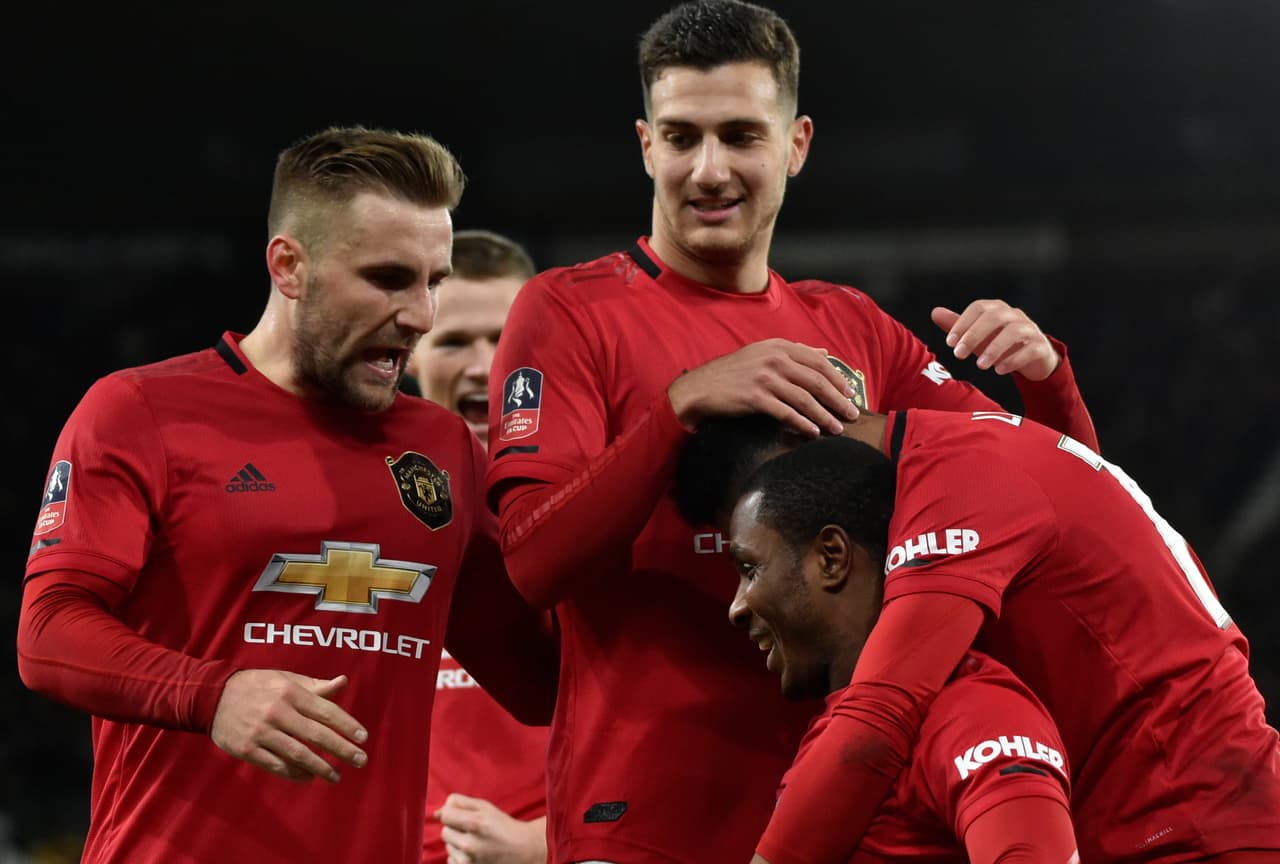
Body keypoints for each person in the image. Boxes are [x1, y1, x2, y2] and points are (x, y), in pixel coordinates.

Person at [485, 1, 1097, 861]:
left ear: (797, 144)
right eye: (682, 136)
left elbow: (1052, 510)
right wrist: (681, 406)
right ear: (645, 145)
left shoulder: (852, 326)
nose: (708, 170)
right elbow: (532, 561)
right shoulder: (569, 312)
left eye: (740, 135)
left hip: (855, 817)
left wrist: (1047, 388)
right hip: (647, 822)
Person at [17, 126, 556, 864]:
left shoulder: (445, 451)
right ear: (289, 265)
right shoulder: (139, 411)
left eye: (434, 280)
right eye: (389, 278)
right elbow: (47, 633)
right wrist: (212, 695)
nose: (422, 316)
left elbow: (543, 682)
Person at [675, 412, 1280, 863]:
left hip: (1196, 824)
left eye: (757, 543)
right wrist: (1051, 382)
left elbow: (880, 713)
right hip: (1185, 809)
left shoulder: (961, 480)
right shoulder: (970, 445)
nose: (741, 598)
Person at [719, 438, 1079, 861]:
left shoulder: (973, 710)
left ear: (831, 558)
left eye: (750, 568)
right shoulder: (827, 740)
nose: (736, 607)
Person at [408, 230, 549, 864]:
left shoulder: (602, 508)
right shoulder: (353, 509)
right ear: (410, 351)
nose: (482, 364)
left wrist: (549, 846)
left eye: (502, 341)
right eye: (455, 341)